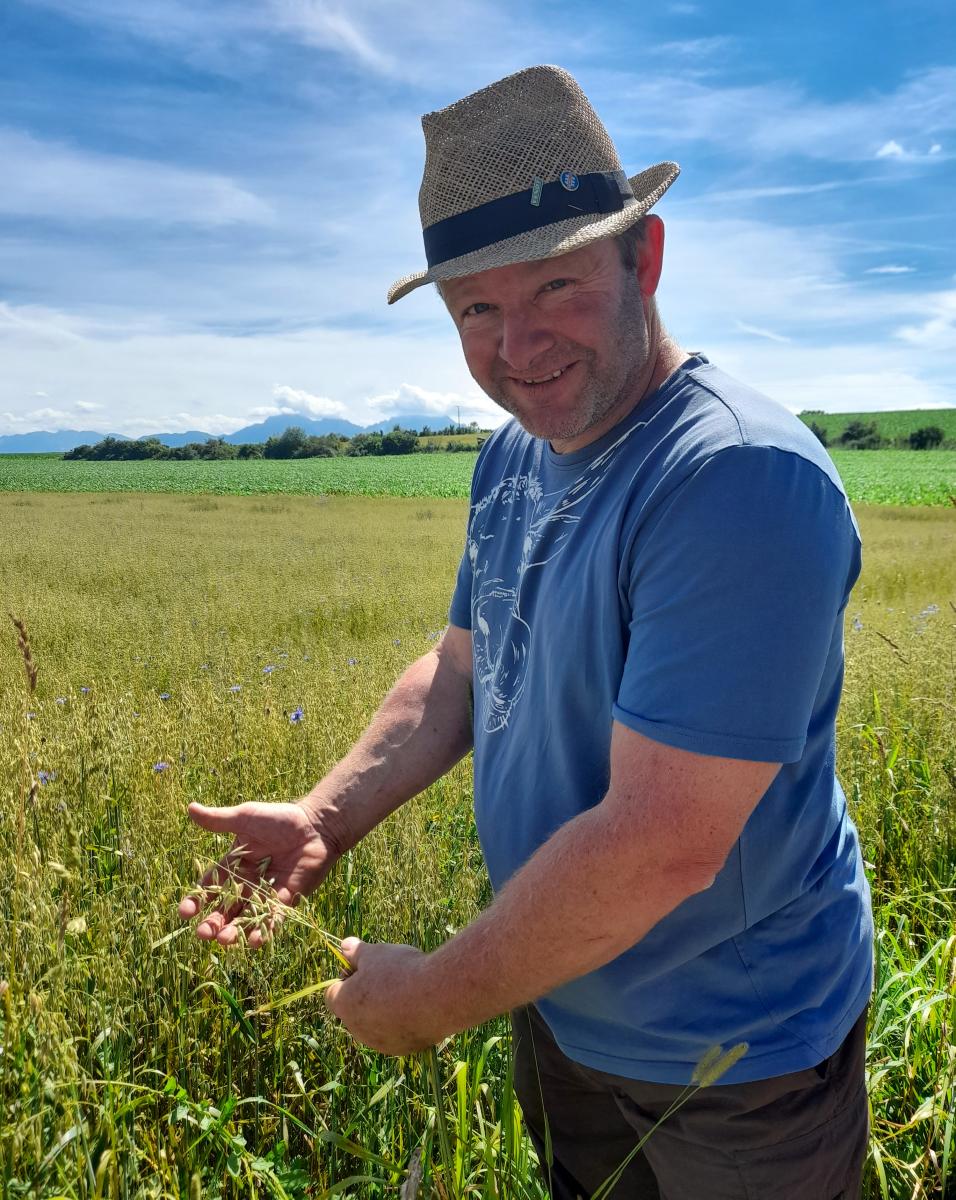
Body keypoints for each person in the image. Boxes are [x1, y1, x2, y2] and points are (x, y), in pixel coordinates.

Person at [178, 65, 874, 1200]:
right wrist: (323, 818)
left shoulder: (732, 479)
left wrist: (432, 997)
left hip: (733, 1066)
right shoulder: (515, 454)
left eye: (554, 289)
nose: (517, 348)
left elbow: (661, 841)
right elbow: (460, 670)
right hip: (562, 1001)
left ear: (642, 259)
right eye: (478, 311)